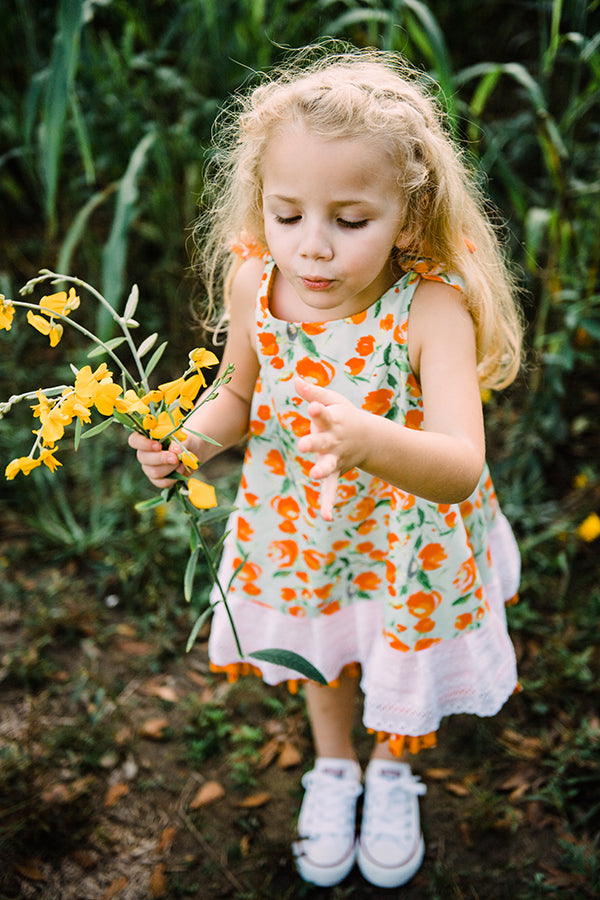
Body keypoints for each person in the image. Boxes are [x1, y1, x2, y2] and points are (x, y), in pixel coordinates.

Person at [129, 45, 523, 890]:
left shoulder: (430, 309)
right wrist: (187, 443)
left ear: (408, 219)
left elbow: (459, 466)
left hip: (407, 538)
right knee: (330, 647)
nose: (313, 248)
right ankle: (335, 764)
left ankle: (390, 770)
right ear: (261, 208)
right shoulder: (253, 285)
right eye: (287, 214)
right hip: (302, 525)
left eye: (350, 222)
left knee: (391, 647)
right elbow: (236, 399)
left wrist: (368, 439)